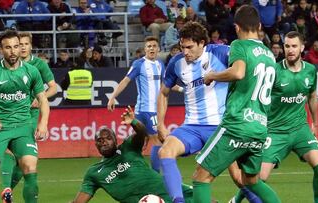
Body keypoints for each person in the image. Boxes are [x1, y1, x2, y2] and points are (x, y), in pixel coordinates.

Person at [191, 5, 281, 203]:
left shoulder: (239, 46)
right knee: (252, 181)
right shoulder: (269, 55)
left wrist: (211, 75)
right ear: (258, 26)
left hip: (237, 124)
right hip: (259, 127)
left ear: (237, 27)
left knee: (200, 178)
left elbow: (238, 72)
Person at [157, 21, 230, 202]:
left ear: (202, 43)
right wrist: (160, 124)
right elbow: (163, 93)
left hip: (221, 127)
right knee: (164, 152)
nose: (185, 52)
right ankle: (178, 201)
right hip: (192, 127)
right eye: (183, 47)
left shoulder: (220, 52)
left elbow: (244, 66)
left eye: (189, 47)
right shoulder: (176, 62)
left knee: (240, 177)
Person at [0, 29, 50, 203]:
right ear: (0, 50)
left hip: (23, 127)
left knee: (30, 167)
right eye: (8, 47)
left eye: (16, 46)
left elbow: (43, 99)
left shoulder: (32, 71)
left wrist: (43, 123)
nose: (13, 51)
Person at [71, 106, 193, 203]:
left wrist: (134, 122)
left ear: (115, 140)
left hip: (169, 190)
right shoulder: (94, 173)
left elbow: (142, 133)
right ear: (96, 145)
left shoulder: (128, 147)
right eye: (99, 140)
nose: (104, 142)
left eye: (108, 138)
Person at [260, 31, 318, 203]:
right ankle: (235, 200)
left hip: (300, 129)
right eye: (287, 46)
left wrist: (315, 124)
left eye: (294, 46)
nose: (290, 50)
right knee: (259, 179)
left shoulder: (310, 70)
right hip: (275, 132)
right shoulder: (274, 70)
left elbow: (312, 96)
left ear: (302, 48)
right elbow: (261, 98)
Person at [0, 31, 57, 203]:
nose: (22, 47)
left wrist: (41, 99)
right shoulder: (7, 65)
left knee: (24, 160)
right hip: (8, 115)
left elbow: (54, 88)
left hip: (29, 117)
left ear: (31, 46)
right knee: (12, 153)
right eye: (19, 44)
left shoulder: (38, 65)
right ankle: (7, 190)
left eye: (25, 44)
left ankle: (8, 190)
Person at [107, 36, 171, 172]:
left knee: (139, 142)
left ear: (158, 49)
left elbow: (165, 84)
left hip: (153, 109)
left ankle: (121, 163)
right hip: (146, 110)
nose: (151, 48)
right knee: (158, 140)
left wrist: (184, 89)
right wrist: (112, 97)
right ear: (145, 49)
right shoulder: (139, 64)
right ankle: (155, 174)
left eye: (154, 46)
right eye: (149, 46)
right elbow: (125, 80)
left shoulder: (160, 64)